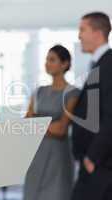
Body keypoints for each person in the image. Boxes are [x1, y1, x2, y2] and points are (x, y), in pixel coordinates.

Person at [23, 45, 80, 200]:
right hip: (35, 155)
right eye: (46, 59)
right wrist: (45, 124)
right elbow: (25, 125)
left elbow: (61, 128)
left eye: (52, 59)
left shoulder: (73, 93)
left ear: (65, 64)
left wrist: (35, 121)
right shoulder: (39, 91)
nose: (47, 63)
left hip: (58, 157)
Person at [71, 12, 112, 200]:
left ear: (97, 33)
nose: (79, 36)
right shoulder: (99, 64)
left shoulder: (109, 65)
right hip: (95, 164)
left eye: (82, 30)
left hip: (100, 165)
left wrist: (92, 158)